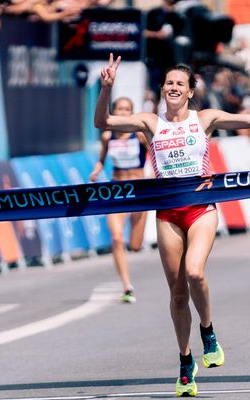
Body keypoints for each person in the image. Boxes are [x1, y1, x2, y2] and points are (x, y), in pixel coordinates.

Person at [94, 53, 250, 397]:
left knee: (195, 272)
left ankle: (208, 331)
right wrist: (106, 89)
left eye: (180, 84)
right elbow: (103, 122)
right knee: (178, 293)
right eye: (168, 83)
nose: (173, 88)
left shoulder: (205, 118)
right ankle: (185, 362)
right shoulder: (150, 123)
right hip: (167, 213)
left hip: (201, 208)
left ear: (191, 91)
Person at [89, 96, 148, 304]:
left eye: (127, 110)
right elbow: (101, 160)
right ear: (114, 112)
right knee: (116, 238)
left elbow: (157, 154)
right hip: (117, 189)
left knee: (135, 245)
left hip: (139, 191)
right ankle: (127, 285)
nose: (122, 113)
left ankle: (133, 252)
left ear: (132, 113)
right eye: (119, 109)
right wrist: (96, 171)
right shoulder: (108, 136)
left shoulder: (140, 135)